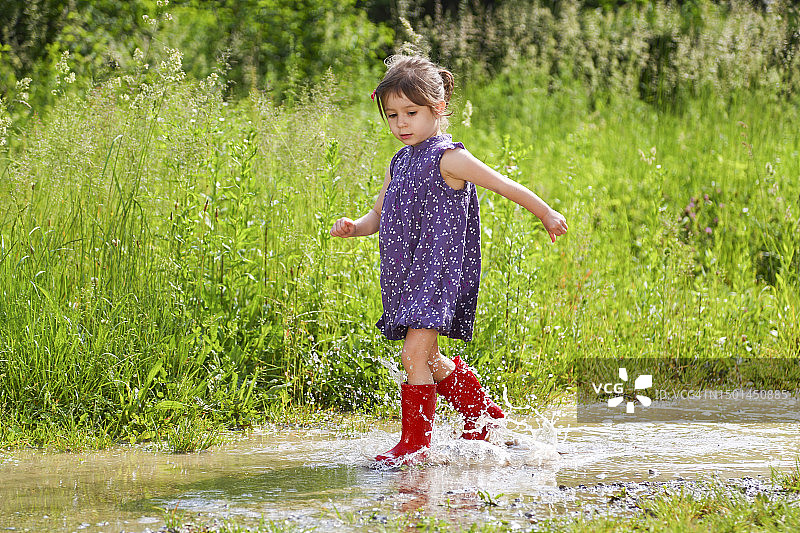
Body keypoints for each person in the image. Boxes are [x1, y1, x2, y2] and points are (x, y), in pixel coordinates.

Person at [330, 55, 568, 466]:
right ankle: (484, 414)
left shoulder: (449, 158)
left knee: (411, 357)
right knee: (429, 358)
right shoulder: (398, 163)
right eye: (392, 115)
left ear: (437, 109)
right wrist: (356, 225)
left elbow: (504, 183)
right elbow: (378, 215)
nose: (401, 123)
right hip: (406, 274)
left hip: (438, 274)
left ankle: (415, 444)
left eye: (411, 113)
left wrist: (545, 212)